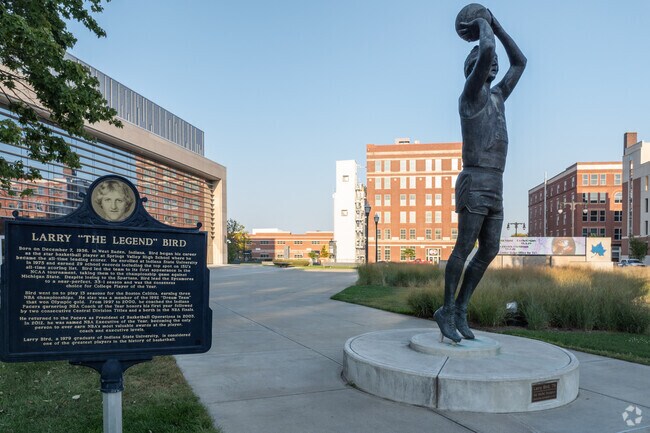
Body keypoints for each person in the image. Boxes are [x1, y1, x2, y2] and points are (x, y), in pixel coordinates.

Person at [434, 10, 526, 343]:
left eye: (493, 60)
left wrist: (498, 25)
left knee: (489, 249)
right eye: (486, 60)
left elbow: (520, 63)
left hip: (495, 182)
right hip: (474, 181)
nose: (494, 61)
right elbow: (487, 50)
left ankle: (459, 308)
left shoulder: (499, 97)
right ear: (472, 69)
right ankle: (445, 309)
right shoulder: (470, 98)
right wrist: (482, 22)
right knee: (464, 247)